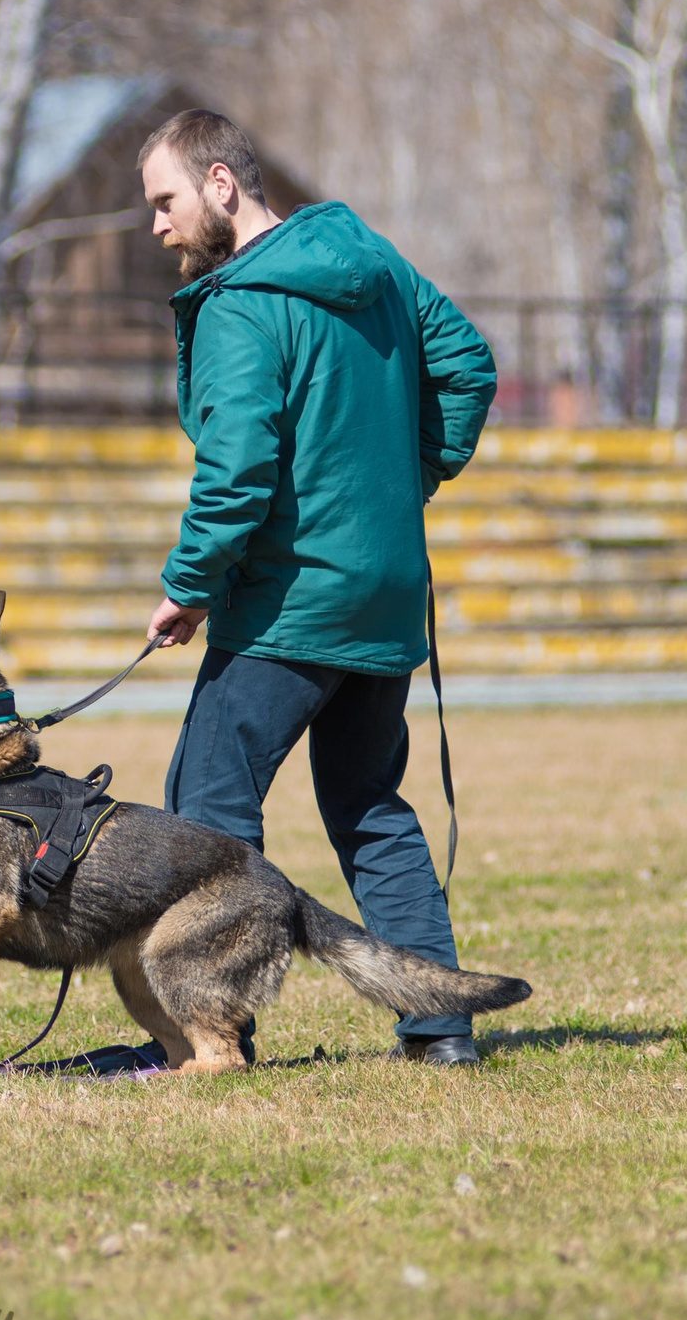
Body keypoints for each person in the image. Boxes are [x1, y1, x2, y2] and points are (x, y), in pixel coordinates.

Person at [135, 110, 499, 1067]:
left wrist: (188, 584)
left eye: (166, 201)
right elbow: (467, 365)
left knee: (205, 811)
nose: (159, 226)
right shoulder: (372, 261)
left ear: (221, 183)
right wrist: (404, 483)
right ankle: (441, 1034)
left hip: (291, 603)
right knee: (372, 809)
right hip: (382, 595)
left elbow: (238, 466)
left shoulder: (239, 302)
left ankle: (214, 1034)